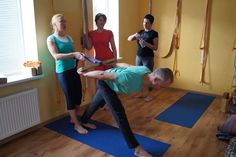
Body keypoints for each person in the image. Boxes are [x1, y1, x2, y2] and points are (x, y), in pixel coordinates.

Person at [78, 63, 173, 157]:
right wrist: (85, 74)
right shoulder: (130, 78)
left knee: (96, 102)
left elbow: (127, 66)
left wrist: (114, 63)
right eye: (162, 87)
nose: (161, 89)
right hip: (105, 83)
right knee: (120, 114)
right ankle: (137, 149)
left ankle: (83, 120)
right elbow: (101, 74)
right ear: (155, 80)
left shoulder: (145, 70)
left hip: (110, 80)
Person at [47, 14, 95, 134]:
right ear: (54, 24)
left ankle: (73, 119)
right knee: (70, 97)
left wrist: (80, 56)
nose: (64, 23)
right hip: (63, 72)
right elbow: (56, 56)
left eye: (65, 21)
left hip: (73, 70)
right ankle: (77, 125)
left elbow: (74, 52)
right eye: (61, 21)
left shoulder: (68, 38)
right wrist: (74, 55)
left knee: (78, 97)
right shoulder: (51, 39)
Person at [128, 14, 158, 102]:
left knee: (149, 76)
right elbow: (129, 39)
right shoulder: (140, 32)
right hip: (139, 57)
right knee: (138, 75)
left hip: (148, 58)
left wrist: (146, 44)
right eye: (144, 22)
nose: (144, 24)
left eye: (147, 23)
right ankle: (140, 93)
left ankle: (150, 95)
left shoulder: (154, 33)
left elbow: (155, 47)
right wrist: (134, 35)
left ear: (151, 24)